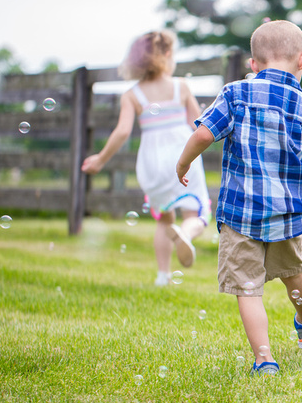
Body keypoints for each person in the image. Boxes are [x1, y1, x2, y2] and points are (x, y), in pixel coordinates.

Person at [176, 20, 302, 376]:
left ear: (253, 64)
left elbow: (203, 135)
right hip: (286, 216)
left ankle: (264, 359)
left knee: (248, 289)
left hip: (239, 214)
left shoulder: (235, 93)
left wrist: (184, 161)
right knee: (293, 273)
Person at [82, 30, 211, 286]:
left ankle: (162, 276)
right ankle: (186, 234)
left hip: (152, 161)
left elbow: (122, 132)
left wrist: (100, 159)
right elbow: (199, 126)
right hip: (182, 156)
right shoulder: (181, 87)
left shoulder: (132, 94)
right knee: (195, 212)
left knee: (164, 218)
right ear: (166, 54)